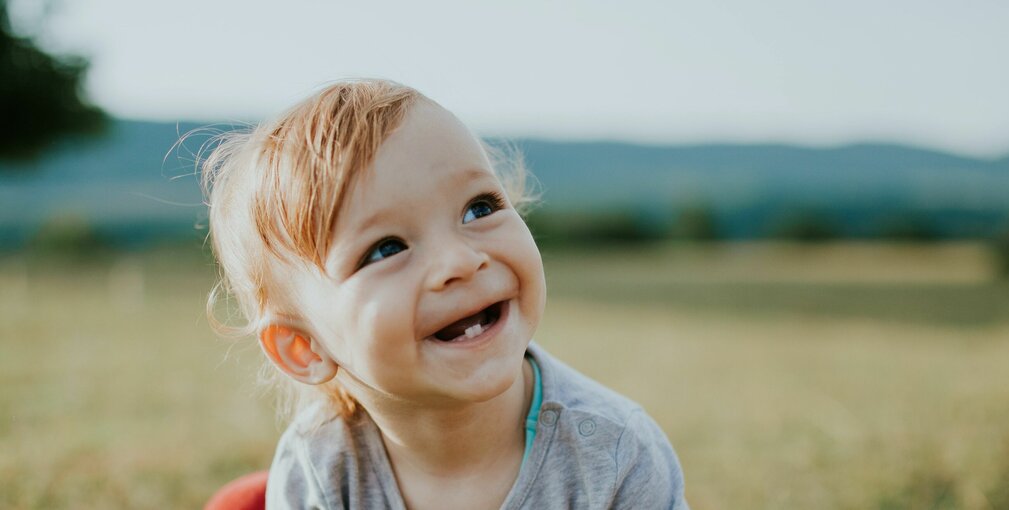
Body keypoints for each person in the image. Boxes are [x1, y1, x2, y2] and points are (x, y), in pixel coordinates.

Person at [202, 79, 690, 509]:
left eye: (479, 209)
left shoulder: (613, 456)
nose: (459, 261)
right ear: (304, 348)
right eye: (386, 248)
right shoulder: (321, 466)